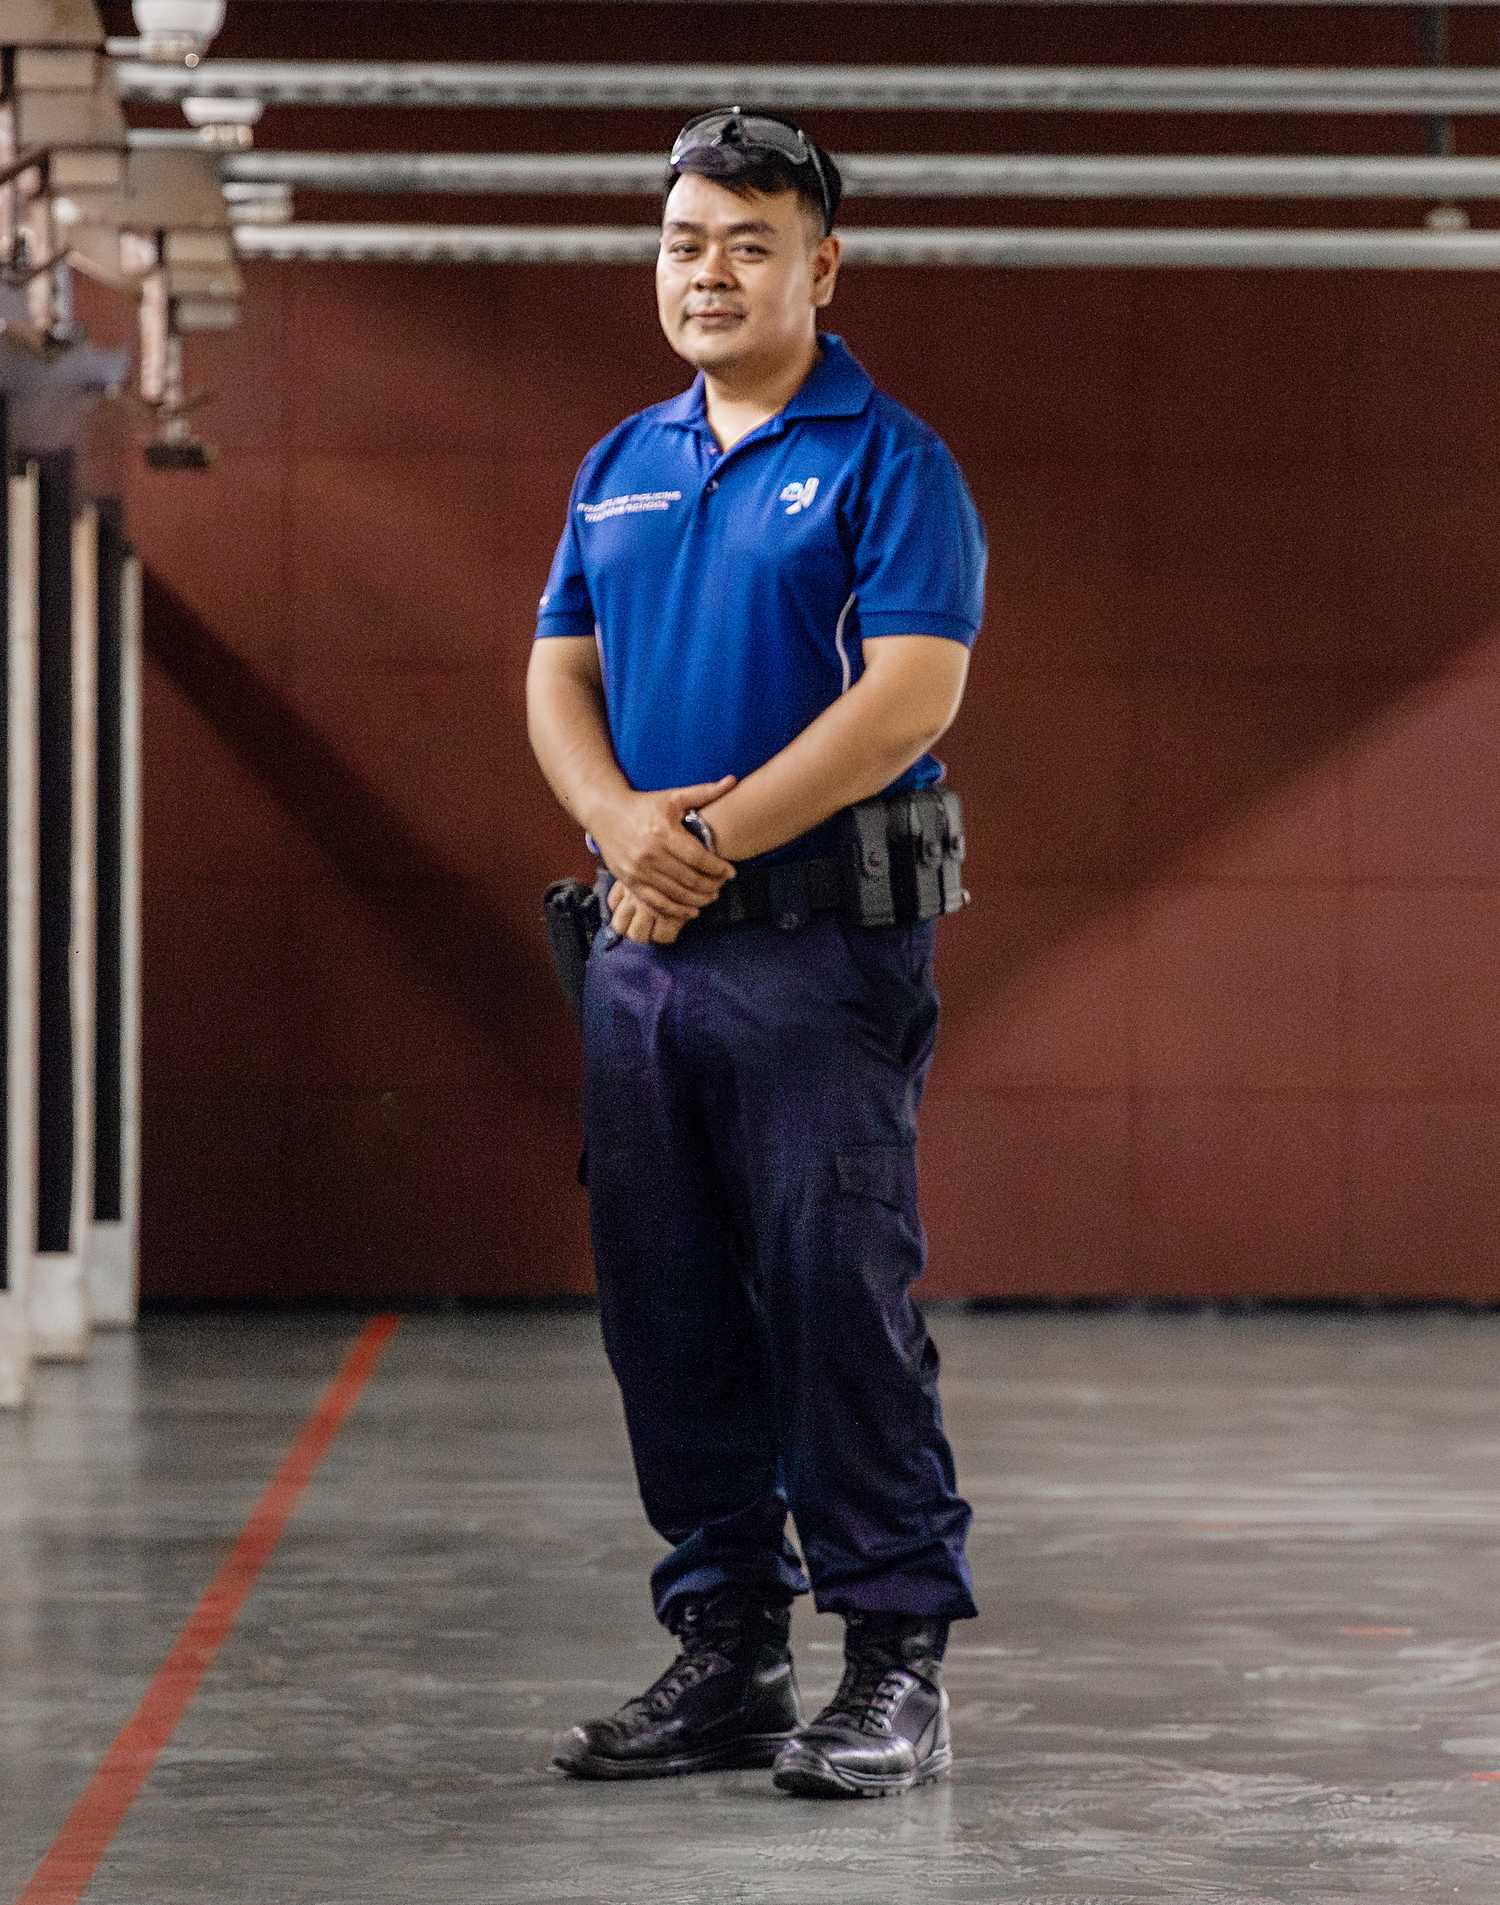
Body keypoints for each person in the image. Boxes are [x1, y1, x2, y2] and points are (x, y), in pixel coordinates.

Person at [526, 107, 987, 1800]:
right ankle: (727, 1648)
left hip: (817, 954)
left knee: (828, 1291)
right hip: (643, 956)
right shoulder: (621, 459)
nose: (708, 273)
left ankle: (895, 1659)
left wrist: (705, 840)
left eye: (747, 243)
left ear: (822, 265)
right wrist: (620, 827)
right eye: (683, 242)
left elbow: (910, 697)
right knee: (665, 1307)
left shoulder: (887, 460)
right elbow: (557, 674)